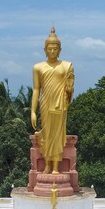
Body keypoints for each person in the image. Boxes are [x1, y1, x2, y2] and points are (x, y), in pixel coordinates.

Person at [31, 27, 74, 174]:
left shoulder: (66, 66)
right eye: (49, 49)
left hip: (59, 104)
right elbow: (36, 89)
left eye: (55, 49)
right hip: (45, 103)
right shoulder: (38, 67)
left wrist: (69, 89)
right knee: (47, 133)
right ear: (44, 50)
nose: (52, 51)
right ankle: (47, 164)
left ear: (60, 50)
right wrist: (32, 111)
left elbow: (70, 87)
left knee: (57, 134)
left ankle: (56, 166)